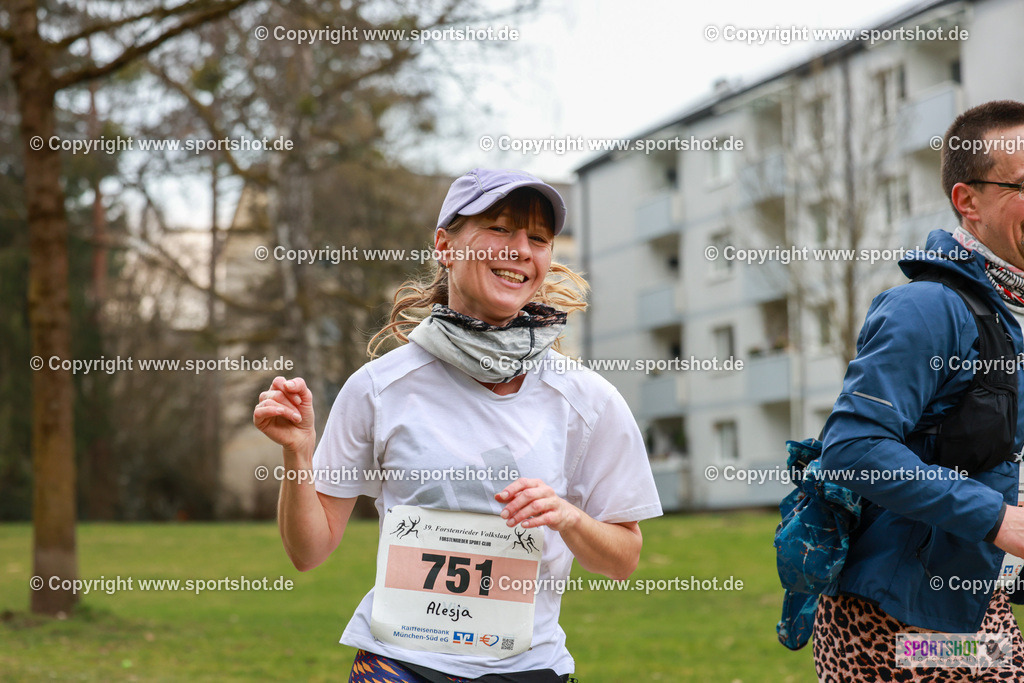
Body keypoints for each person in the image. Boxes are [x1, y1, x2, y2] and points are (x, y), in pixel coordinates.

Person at [253, 168, 663, 682]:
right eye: (499, 228)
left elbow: (623, 559)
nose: (520, 249)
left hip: (529, 666)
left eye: (537, 238)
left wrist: (568, 517)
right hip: (400, 664)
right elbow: (309, 551)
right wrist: (298, 453)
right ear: (445, 245)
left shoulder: (586, 400)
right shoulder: (379, 389)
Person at [812, 100, 1024, 680]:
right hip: (895, 623)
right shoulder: (928, 308)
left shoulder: (1011, 315)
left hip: (979, 607)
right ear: (968, 201)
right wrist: (998, 519)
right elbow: (854, 448)